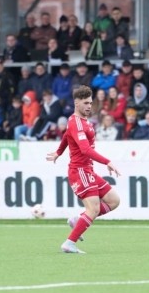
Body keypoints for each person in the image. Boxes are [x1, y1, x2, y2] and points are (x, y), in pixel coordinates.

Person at [46, 85, 122, 254]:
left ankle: (79, 219)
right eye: (86, 103)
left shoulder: (80, 121)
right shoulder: (76, 123)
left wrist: (59, 152)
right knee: (93, 209)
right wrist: (107, 161)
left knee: (114, 200)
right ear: (76, 103)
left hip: (88, 170)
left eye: (90, 102)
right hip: (80, 171)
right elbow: (85, 149)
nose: (89, 106)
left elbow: (66, 136)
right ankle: (69, 243)